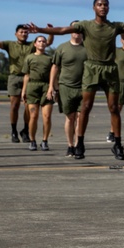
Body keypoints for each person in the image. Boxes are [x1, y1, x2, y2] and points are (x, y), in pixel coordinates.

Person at [28, 0, 124, 161]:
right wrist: (41, 30)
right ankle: (80, 144)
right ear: (94, 8)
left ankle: (118, 144)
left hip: (110, 69)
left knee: (114, 107)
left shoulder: (115, 26)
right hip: (92, 68)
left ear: (109, 8)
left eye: (105, 5)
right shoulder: (85, 25)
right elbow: (62, 30)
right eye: (99, 5)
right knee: (85, 106)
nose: (103, 7)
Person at [0, 23, 54, 143]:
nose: (23, 34)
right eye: (21, 32)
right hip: (15, 77)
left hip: (29, 78)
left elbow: (47, 42)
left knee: (28, 106)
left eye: (26, 32)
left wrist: (50, 31)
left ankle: (26, 130)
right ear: (16, 34)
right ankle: (13, 131)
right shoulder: (10, 44)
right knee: (14, 106)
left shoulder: (32, 45)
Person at [48, 23, 87, 157]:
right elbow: (55, 67)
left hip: (84, 87)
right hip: (66, 86)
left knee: (80, 117)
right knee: (70, 117)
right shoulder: (62, 48)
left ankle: (78, 145)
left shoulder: (88, 48)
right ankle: (70, 145)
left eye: (78, 29)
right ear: (70, 31)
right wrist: (51, 87)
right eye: (73, 29)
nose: (76, 32)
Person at [20, 35, 54, 151]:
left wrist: (53, 88)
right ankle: (32, 140)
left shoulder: (50, 58)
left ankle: (45, 141)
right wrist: (23, 90)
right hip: (32, 87)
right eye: (39, 41)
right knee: (33, 116)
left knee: (47, 116)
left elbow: (53, 75)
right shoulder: (29, 58)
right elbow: (26, 75)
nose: (42, 43)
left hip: (46, 87)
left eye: (44, 41)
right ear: (35, 44)